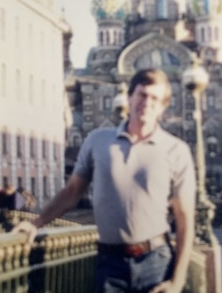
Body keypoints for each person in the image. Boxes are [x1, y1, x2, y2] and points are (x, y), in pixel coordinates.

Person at [13, 68, 196, 293]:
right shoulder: (98, 141)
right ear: (129, 97)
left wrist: (177, 281)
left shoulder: (176, 150)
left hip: (156, 262)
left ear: (163, 106)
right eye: (141, 95)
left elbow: (185, 218)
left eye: (154, 98)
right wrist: (35, 223)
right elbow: (73, 191)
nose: (146, 102)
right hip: (110, 263)